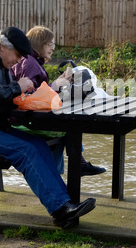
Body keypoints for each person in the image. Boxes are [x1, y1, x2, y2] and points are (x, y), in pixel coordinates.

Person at [0, 27, 95, 228]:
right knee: (26, 150)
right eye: (18, 55)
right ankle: (61, 209)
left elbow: (7, 98)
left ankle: (65, 204)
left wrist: (29, 94)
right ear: (3, 47)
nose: (19, 61)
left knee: (39, 145)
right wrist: (17, 87)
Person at [10, 25, 106, 176]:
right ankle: (57, 174)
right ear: (38, 43)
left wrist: (57, 84)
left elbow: (37, 92)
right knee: (67, 125)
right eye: (49, 44)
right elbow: (29, 98)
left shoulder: (33, 62)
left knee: (67, 124)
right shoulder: (29, 63)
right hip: (22, 121)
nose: (53, 48)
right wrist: (54, 86)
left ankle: (62, 172)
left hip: (27, 117)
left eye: (53, 44)